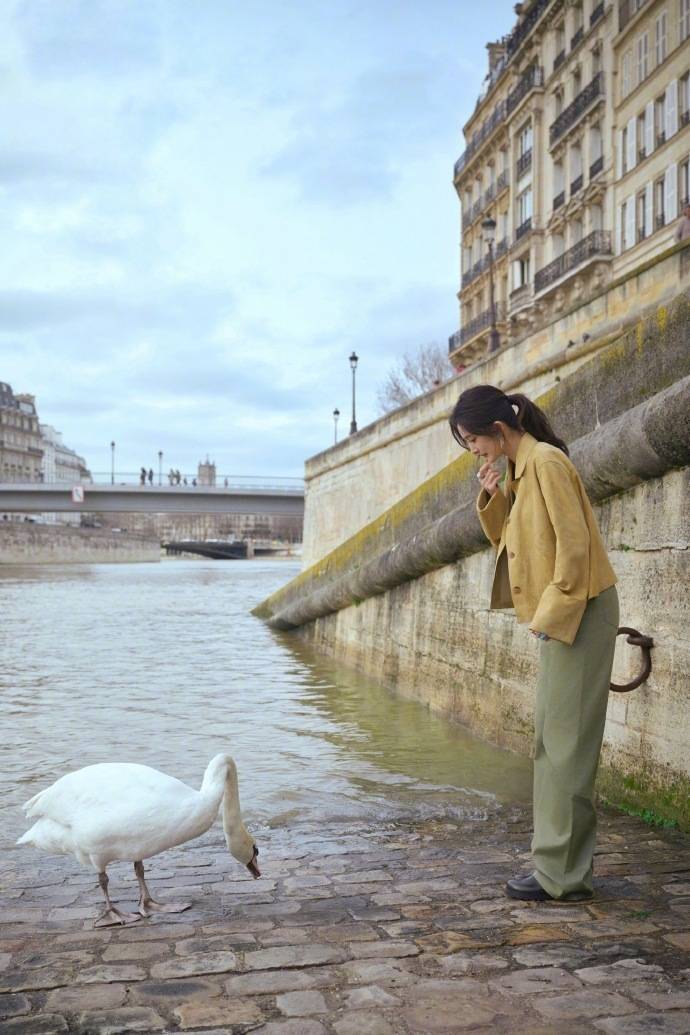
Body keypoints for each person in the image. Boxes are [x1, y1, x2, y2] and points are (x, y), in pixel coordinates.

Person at [449, 384, 618, 903]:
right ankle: (555, 864)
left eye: (474, 440)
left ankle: (562, 875)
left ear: (498, 430)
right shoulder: (520, 470)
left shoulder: (544, 463)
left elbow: (575, 546)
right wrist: (497, 496)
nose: (473, 451)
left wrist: (553, 611)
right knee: (550, 741)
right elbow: (516, 545)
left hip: (580, 608)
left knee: (566, 746)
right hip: (568, 611)